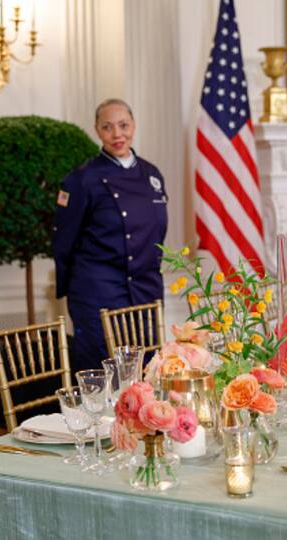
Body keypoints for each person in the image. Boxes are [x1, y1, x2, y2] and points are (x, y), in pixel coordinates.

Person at [53, 99, 168, 370]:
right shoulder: (81, 179)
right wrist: (77, 289)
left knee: (147, 368)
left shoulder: (152, 174)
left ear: (134, 126)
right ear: (97, 130)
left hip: (145, 287)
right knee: (102, 368)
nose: (117, 134)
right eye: (107, 127)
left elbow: (158, 234)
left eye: (123, 125)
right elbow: (63, 240)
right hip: (98, 290)